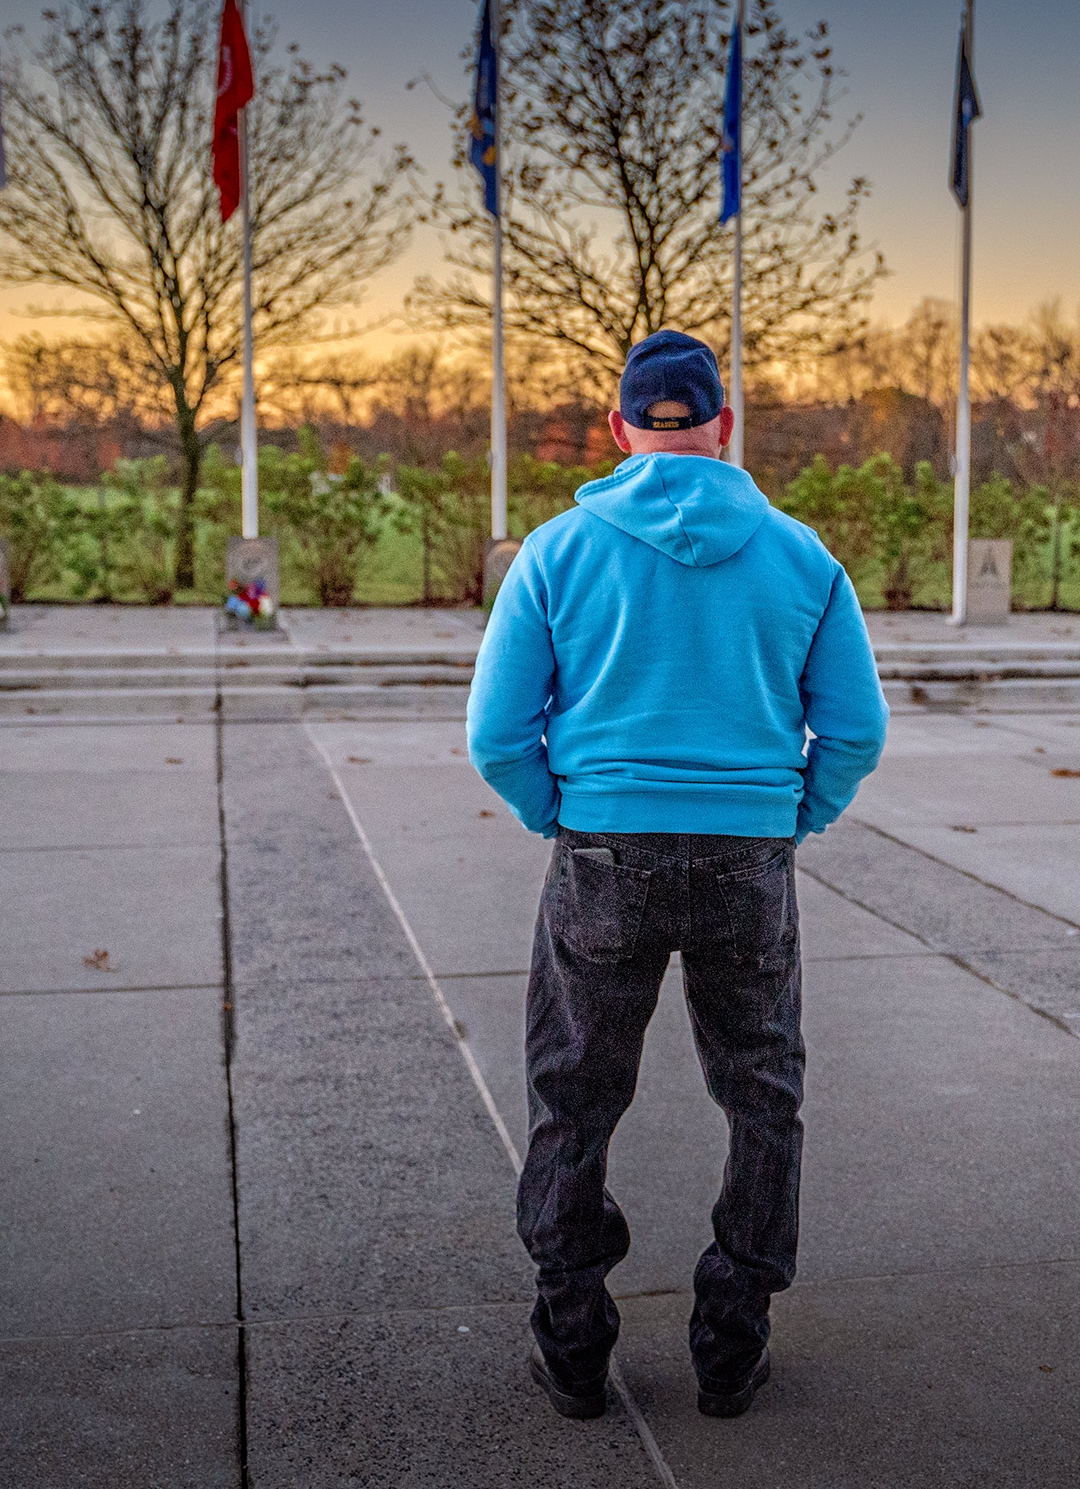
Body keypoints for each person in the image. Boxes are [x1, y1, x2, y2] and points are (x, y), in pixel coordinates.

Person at [466, 329, 888, 1422]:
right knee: (763, 1096)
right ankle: (731, 1336)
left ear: (618, 430)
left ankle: (571, 1341)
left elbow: (497, 732)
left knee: (573, 1096)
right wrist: (792, 815)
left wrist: (557, 810)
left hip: (603, 850)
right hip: (746, 854)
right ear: (724, 427)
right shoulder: (803, 557)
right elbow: (854, 729)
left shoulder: (557, 551)